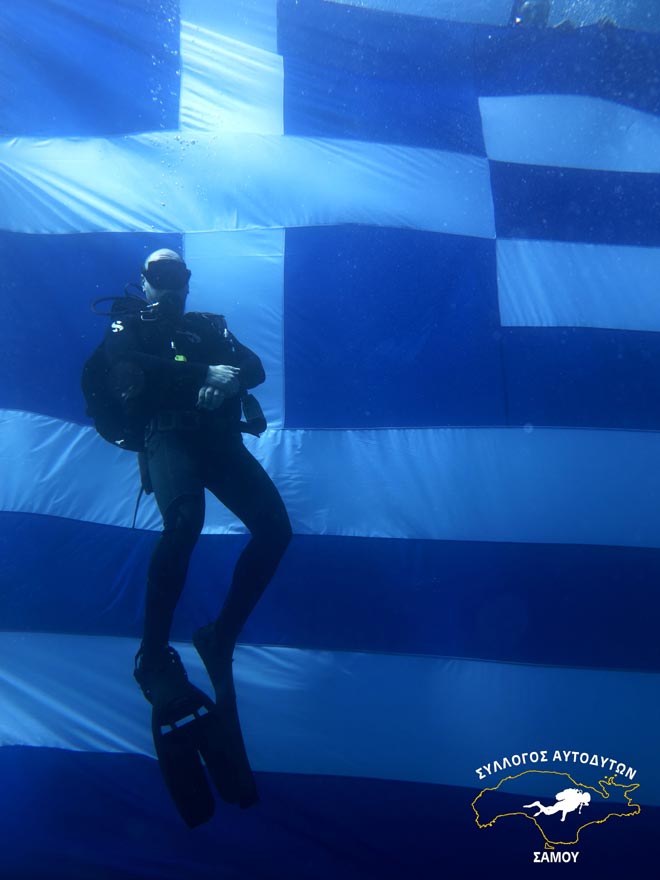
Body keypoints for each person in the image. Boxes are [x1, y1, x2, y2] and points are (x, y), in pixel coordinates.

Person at [104, 248, 292, 715]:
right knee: (184, 522)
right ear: (144, 281)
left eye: (177, 272)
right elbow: (121, 358)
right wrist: (204, 373)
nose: (170, 282)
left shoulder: (208, 326)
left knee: (275, 531)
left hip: (218, 441)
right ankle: (152, 656)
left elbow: (254, 367)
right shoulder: (129, 321)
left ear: (188, 282)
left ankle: (220, 633)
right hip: (168, 438)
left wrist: (228, 382)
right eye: (159, 272)